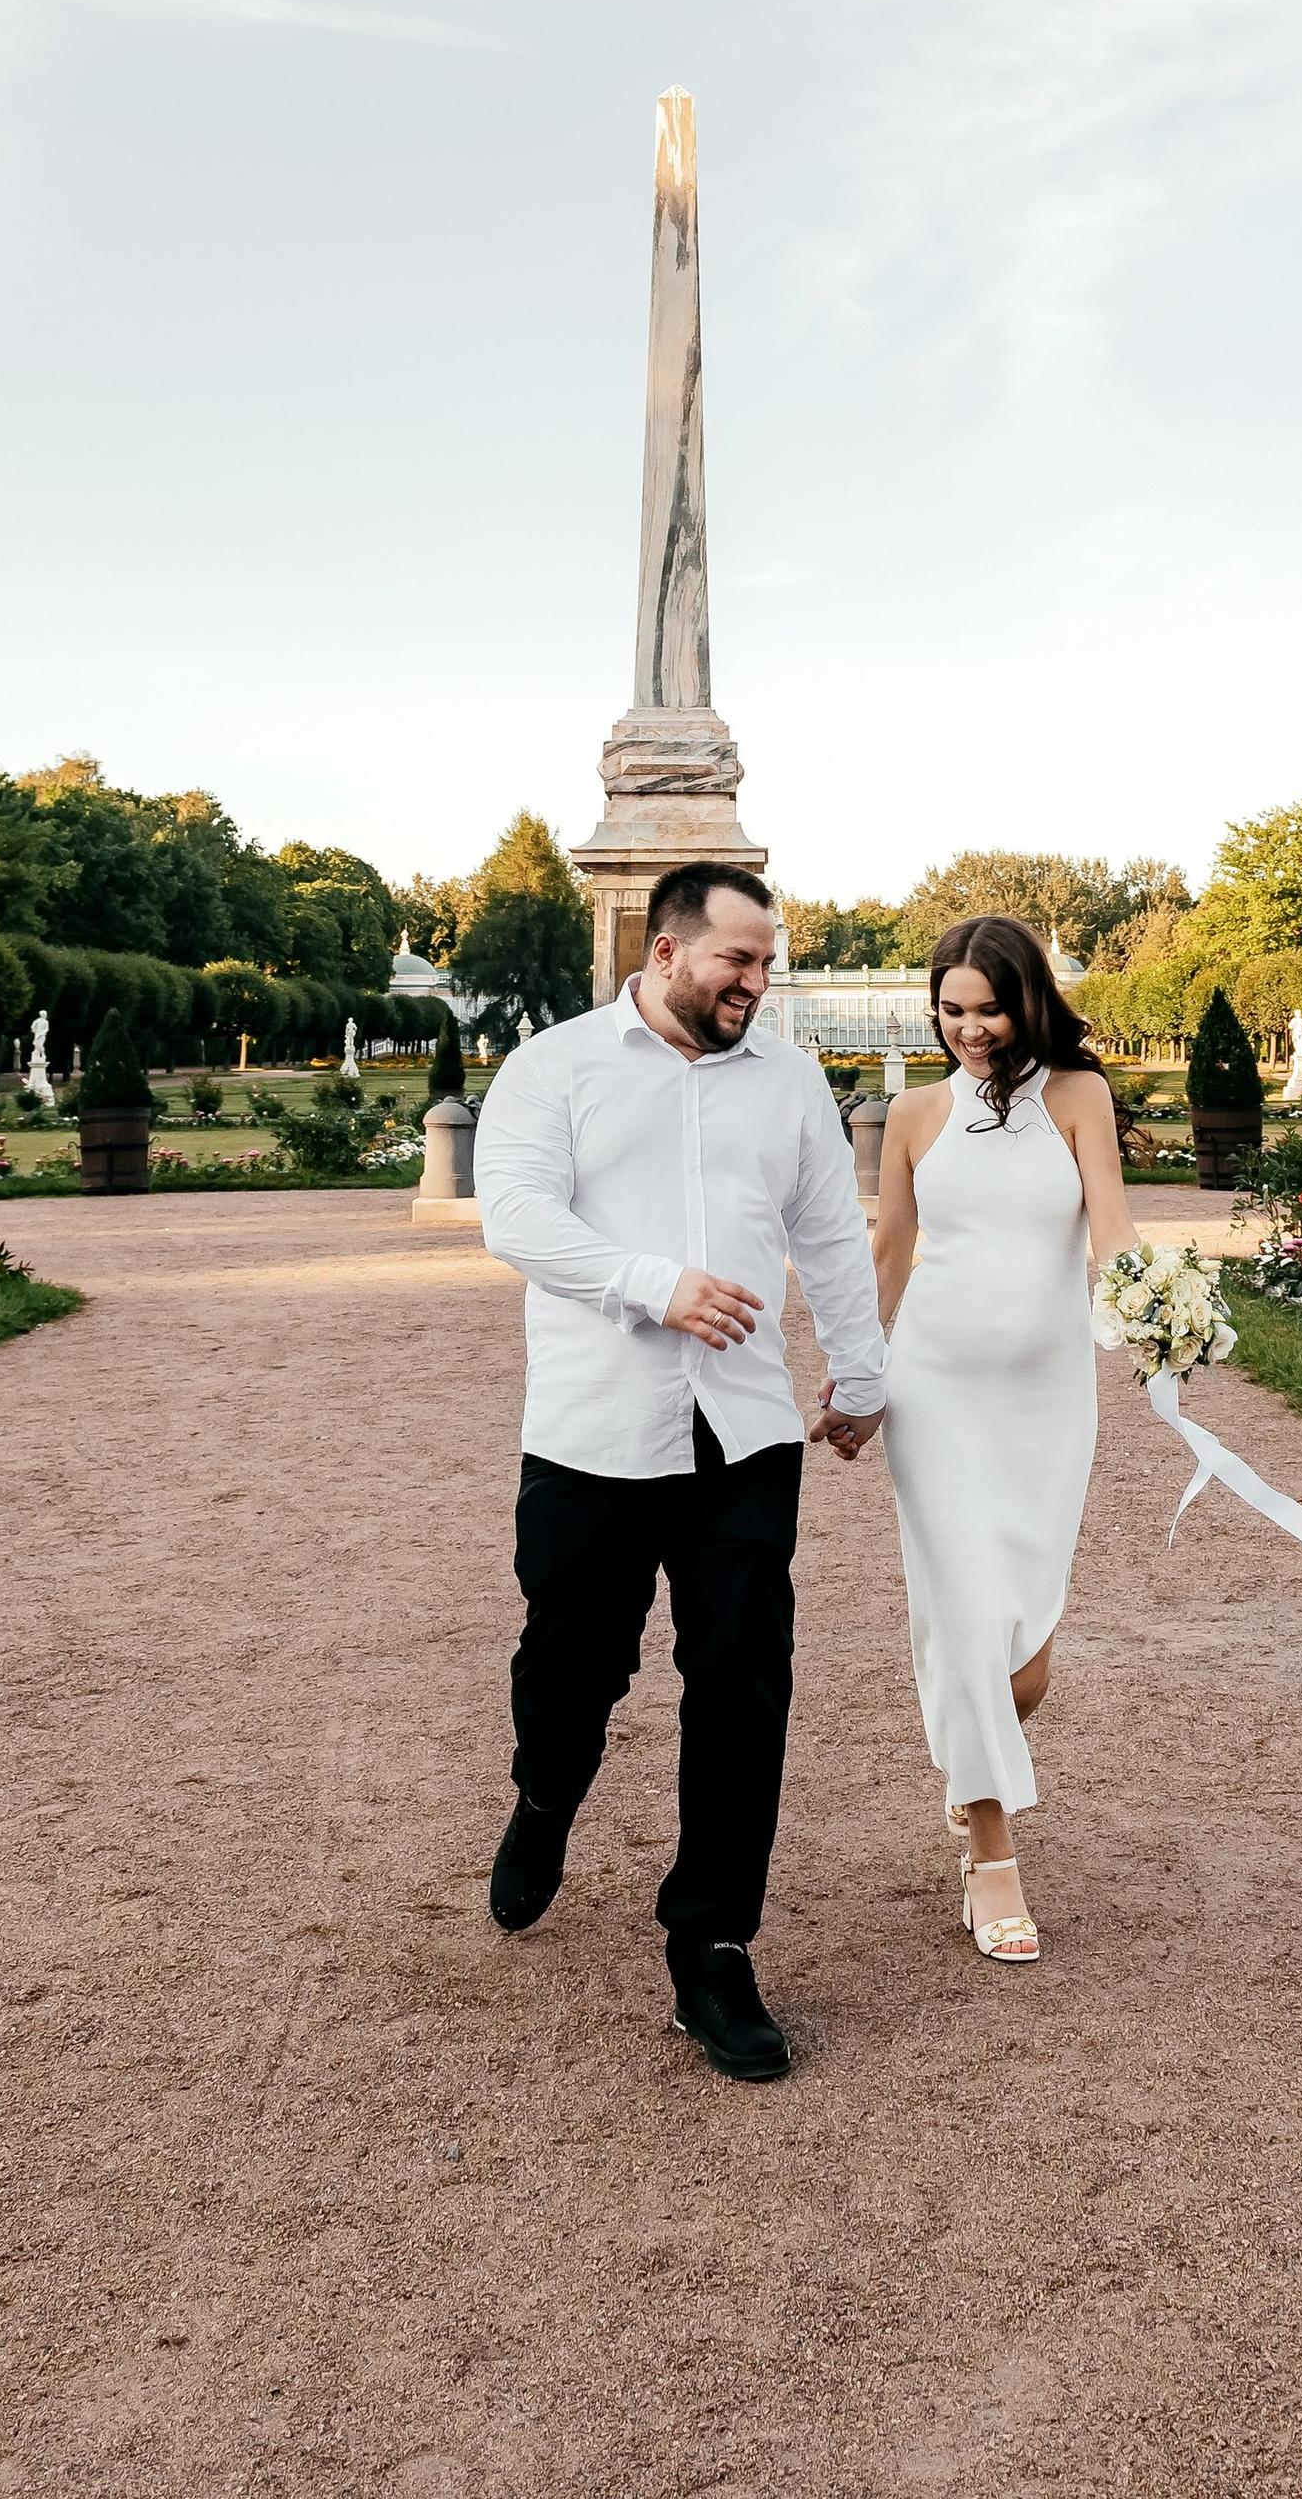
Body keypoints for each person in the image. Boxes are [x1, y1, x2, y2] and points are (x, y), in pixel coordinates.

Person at [473, 862, 886, 2082]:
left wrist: (860, 1376)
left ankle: (711, 1946)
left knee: (745, 1680)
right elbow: (515, 1218)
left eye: (768, 965)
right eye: (737, 962)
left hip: (746, 1437)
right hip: (596, 1431)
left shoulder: (792, 1078)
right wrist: (658, 1286)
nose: (757, 984)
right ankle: (546, 1798)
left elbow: (826, 1233)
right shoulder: (554, 1067)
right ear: (663, 954)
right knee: (573, 1665)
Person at [870, 914, 1129, 1964]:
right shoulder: (910, 1114)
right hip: (931, 1393)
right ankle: (990, 1856)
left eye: (989, 1008)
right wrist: (855, 1378)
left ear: (1030, 1002)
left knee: (1025, 1671)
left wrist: (1152, 1308)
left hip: (1047, 1399)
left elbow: (1109, 1225)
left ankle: (973, 1757)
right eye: (951, 1011)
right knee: (970, 1624)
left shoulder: (1078, 1099)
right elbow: (889, 1249)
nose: (970, 1030)